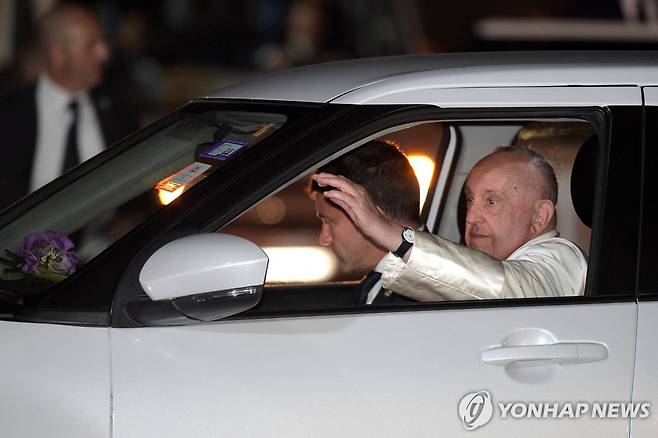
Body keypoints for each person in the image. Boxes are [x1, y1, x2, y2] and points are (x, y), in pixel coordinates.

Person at [312, 145, 587, 301]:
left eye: (491, 202)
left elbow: (506, 289)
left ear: (539, 217)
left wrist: (389, 233)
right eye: (469, 201)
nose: (470, 217)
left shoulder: (562, 259)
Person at [0, 3, 138, 211]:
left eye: (103, 41)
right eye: (91, 45)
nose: (104, 53)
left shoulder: (117, 108)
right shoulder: (10, 117)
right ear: (58, 55)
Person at [309, 140, 421, 304]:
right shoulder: (384, 281)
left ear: (371, 213)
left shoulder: (421, 292)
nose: (324, 239)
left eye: (330, 222)